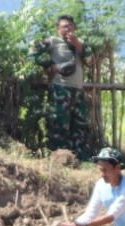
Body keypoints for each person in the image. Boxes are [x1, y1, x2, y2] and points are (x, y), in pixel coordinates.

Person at [33, 14, 90, 156]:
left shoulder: (81, 43)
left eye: (70, 26)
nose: (68, 29)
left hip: (78, 89)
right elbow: (33, 50)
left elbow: (90, 61)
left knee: (80, 124)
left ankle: (78, 156)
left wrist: (77, 45)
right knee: (59, 122)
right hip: (60, 88)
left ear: (74, 28)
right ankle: (58, 155)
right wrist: (50, 66)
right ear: (58, 29)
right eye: (64, 26)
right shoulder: (53, 41)